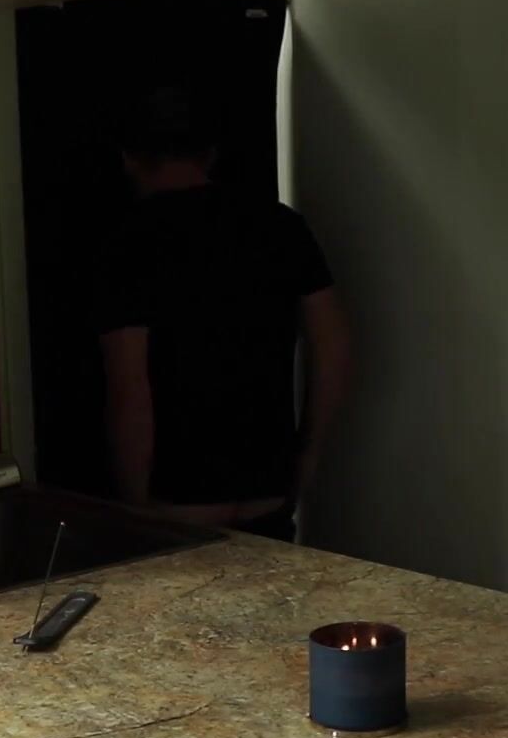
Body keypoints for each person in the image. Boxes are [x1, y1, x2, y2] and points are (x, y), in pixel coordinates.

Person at [96, 88, 352, 541]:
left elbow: (129, 389)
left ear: (128, 158)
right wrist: (307, 458)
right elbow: (333, 345)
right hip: (267, 491)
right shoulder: (279, 226)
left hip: (177, 501)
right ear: (210, 153)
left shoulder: (130, 243)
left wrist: (136, 507)